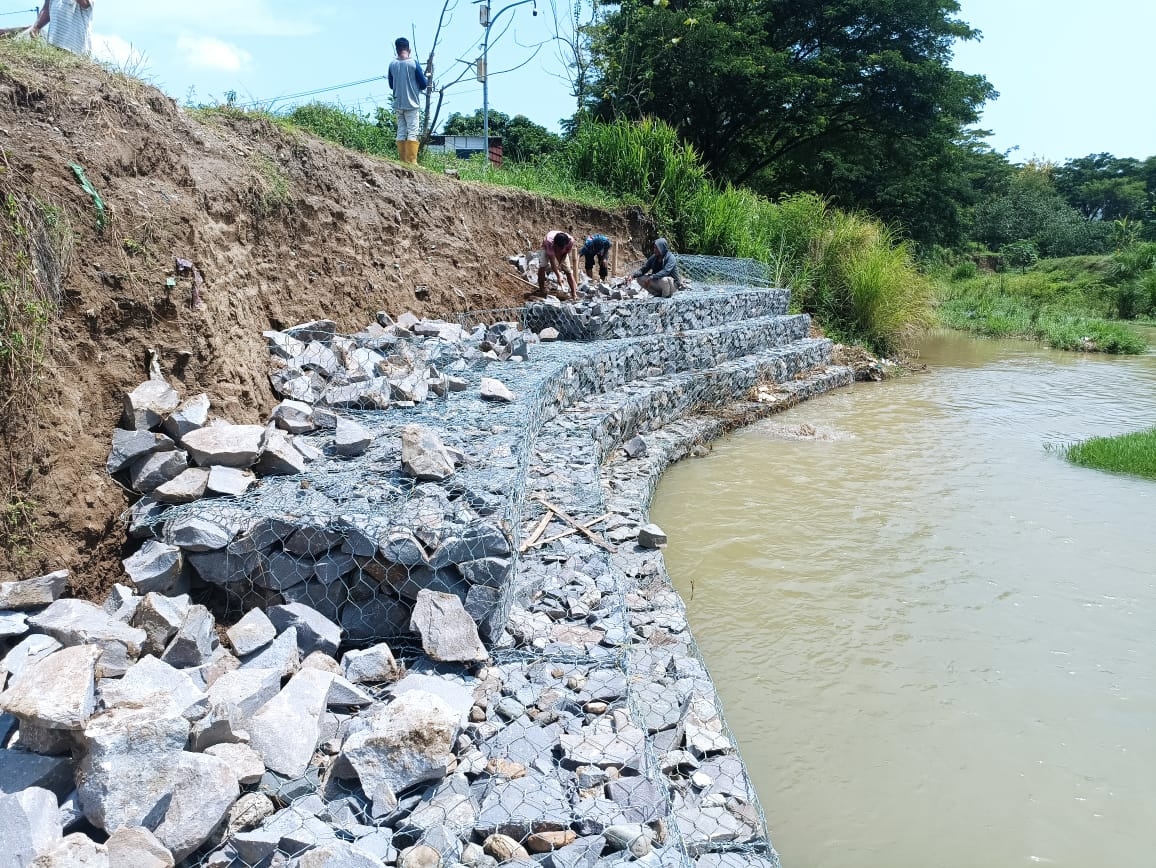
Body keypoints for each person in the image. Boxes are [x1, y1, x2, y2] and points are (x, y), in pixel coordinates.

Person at [388, 37, 428, 164]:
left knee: (401, 130)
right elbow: (423, 84)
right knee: (412, 131)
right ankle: (411, 161)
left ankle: (402, 160)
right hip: (412, 104)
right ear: (409, 49)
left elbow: (391, 84)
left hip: (398, 103)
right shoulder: (413, 63)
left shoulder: (392, 64)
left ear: (397, 50)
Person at [538, 230, 578, 299]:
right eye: (558, 249)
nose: (559, 251)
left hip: (561, 248)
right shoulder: (549, 243)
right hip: (547, 246)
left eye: (561, 249)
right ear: (555, 245)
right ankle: (542, 289)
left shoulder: (570, 241)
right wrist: (558, 276)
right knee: (543, 266)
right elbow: (552, 263)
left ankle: (574, 294)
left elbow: (565, 254)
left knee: (568, 270)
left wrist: (561, 265)